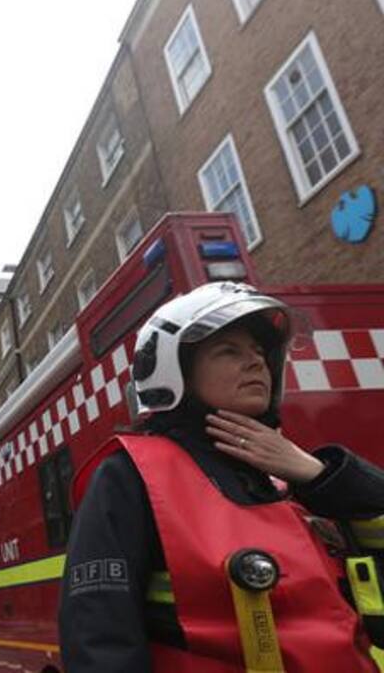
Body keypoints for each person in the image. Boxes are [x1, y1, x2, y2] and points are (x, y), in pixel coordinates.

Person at [59, 282, 384, 671]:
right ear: (173, 372)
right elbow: (100, 638)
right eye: (229, 351)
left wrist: (321, 475)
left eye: (260, 352)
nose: (256, 363)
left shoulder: (289, 477)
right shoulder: (131, 474)